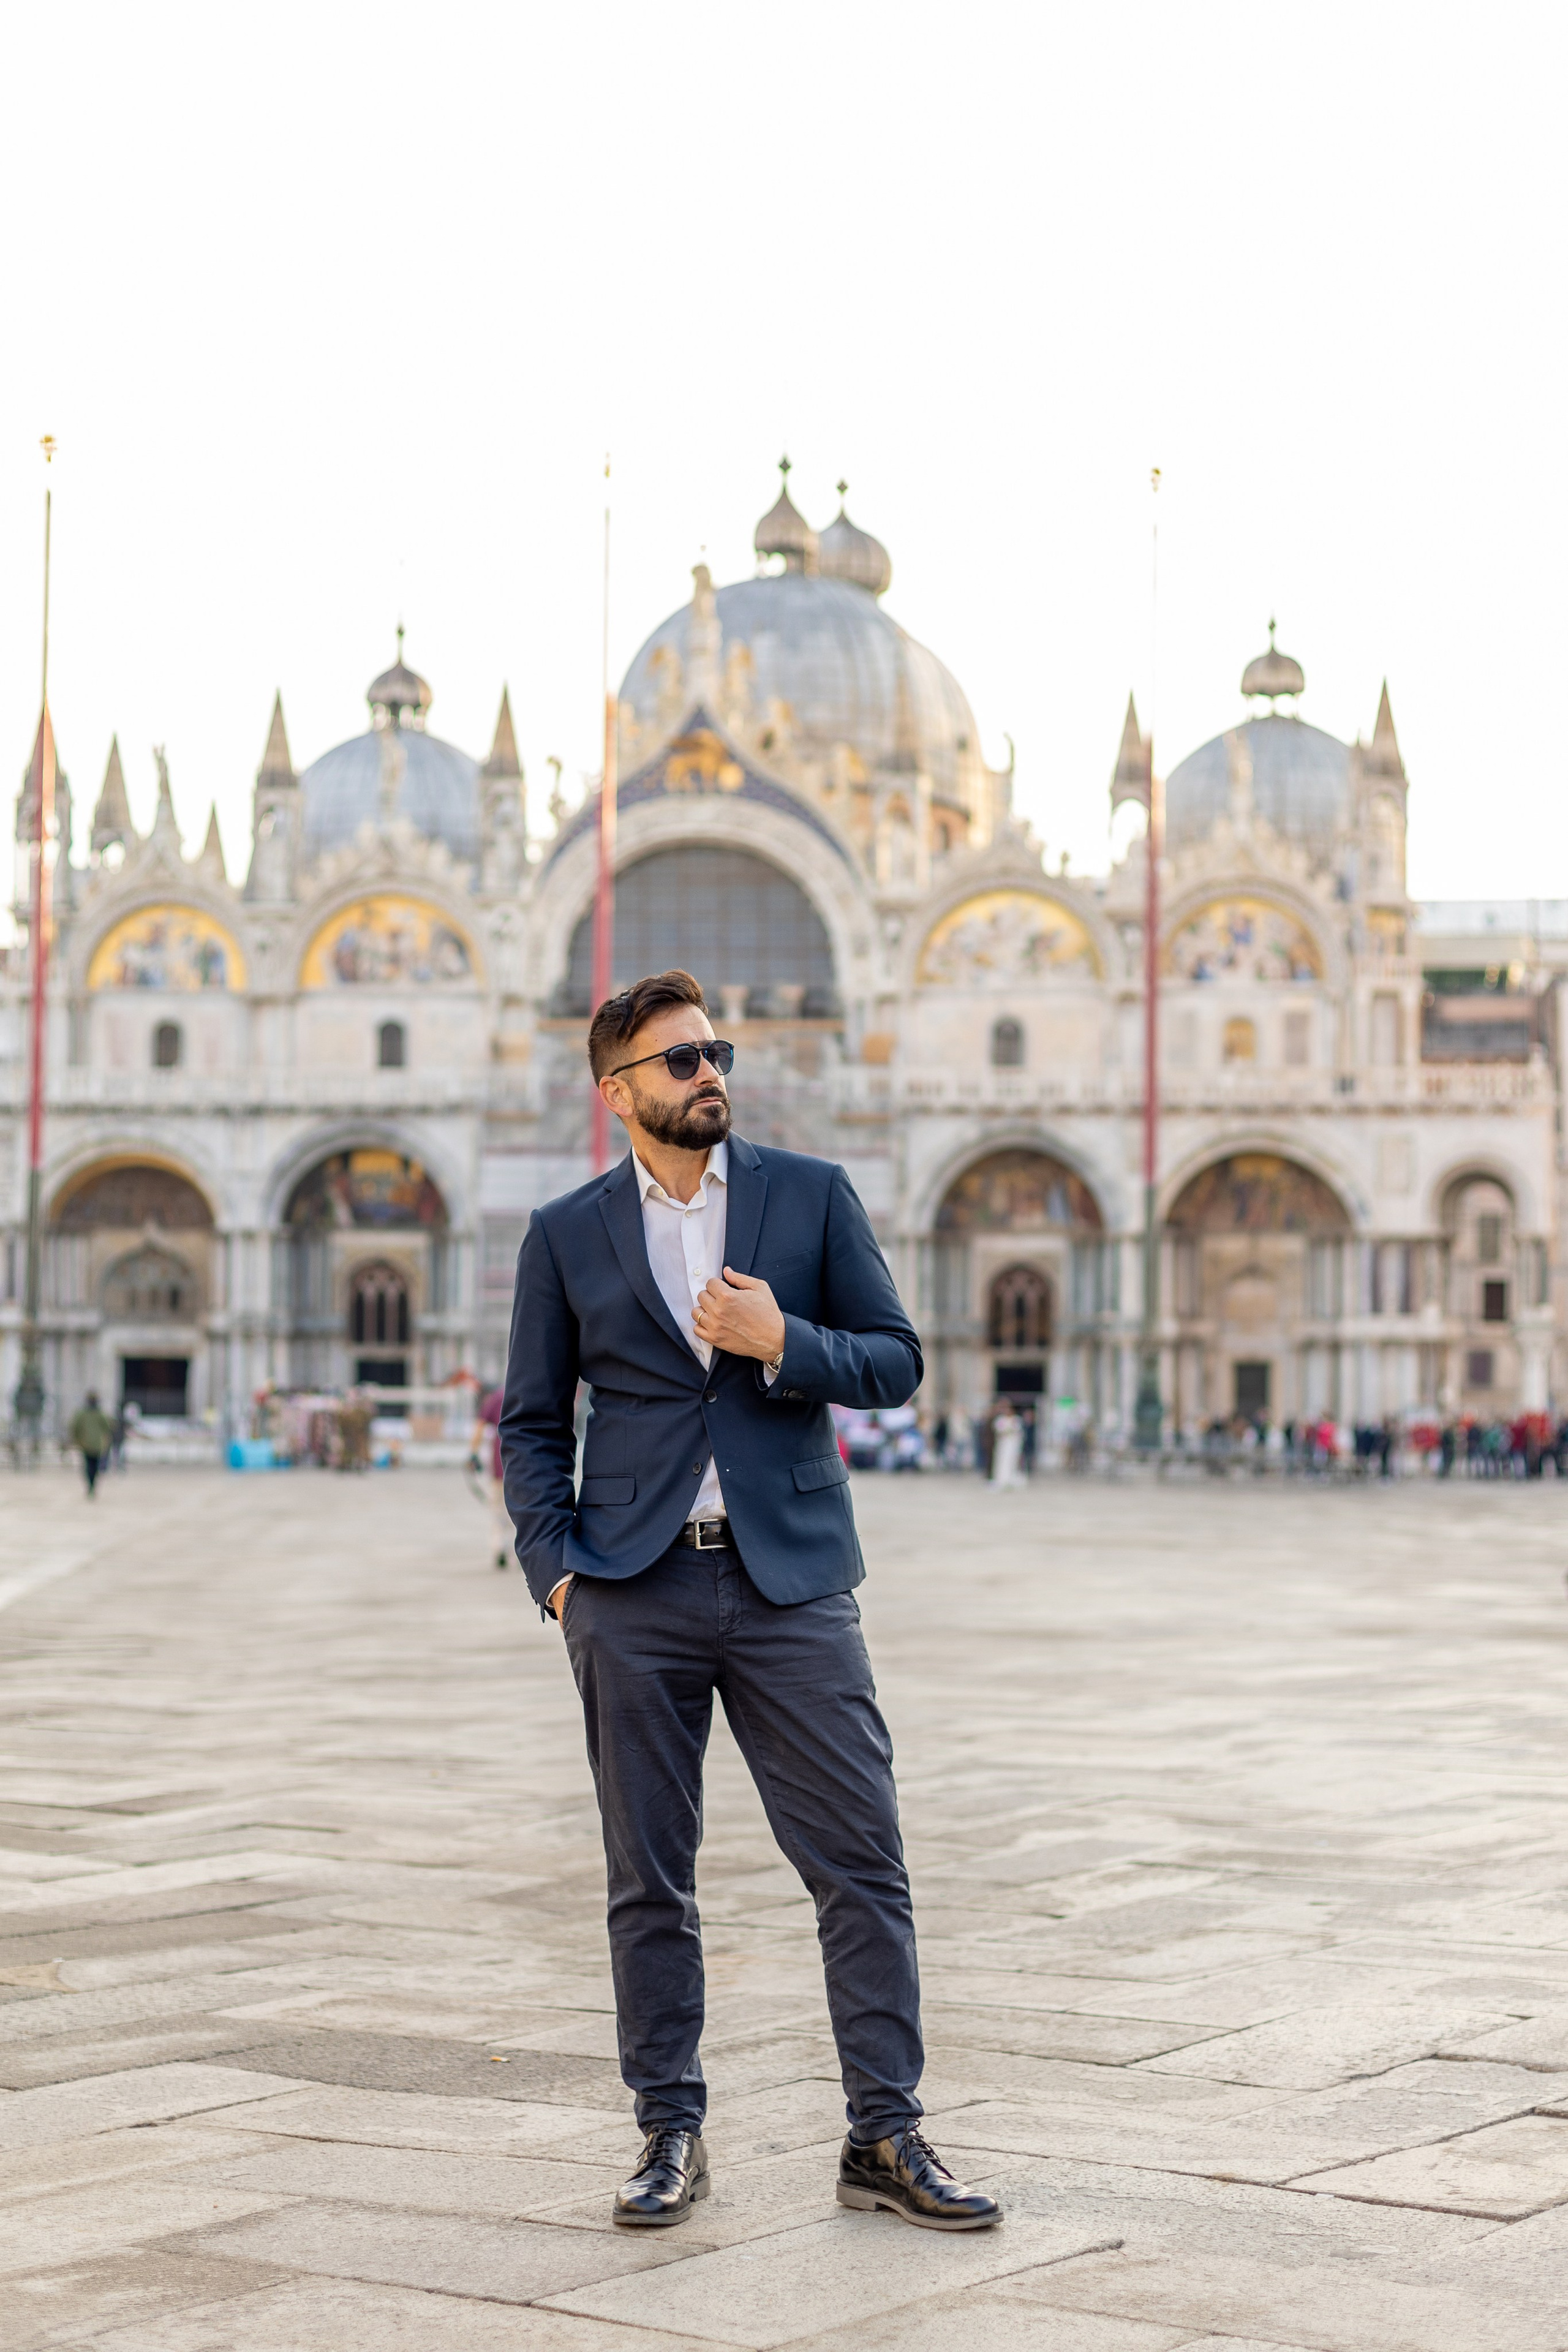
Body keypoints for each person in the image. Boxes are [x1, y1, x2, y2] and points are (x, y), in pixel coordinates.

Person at [502, 969, 1000, 2237]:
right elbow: (531, 1421)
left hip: (793, 1583)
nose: (709, 1072)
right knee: (648, 1880)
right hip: (631, 1588)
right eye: (680, 1060)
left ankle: (883, 2134)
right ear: (618, 1092)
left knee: (861, 1863)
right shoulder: (565, 1232)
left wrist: (785, 1341)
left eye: (715, 1051)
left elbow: (894, 1361)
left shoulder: (808, 1195)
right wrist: (558, 1574)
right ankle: (669, 2130)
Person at [69, 1392, 114, 1497]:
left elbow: (75, 1427)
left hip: (86, 1444)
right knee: (95, 1466)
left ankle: (91, 1485)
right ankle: (92, 1485)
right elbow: (108, 1427)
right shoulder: (100, 1414)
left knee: (89, 1466)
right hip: (97, 1445)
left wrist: (77, 1439)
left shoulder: (82, 1414)